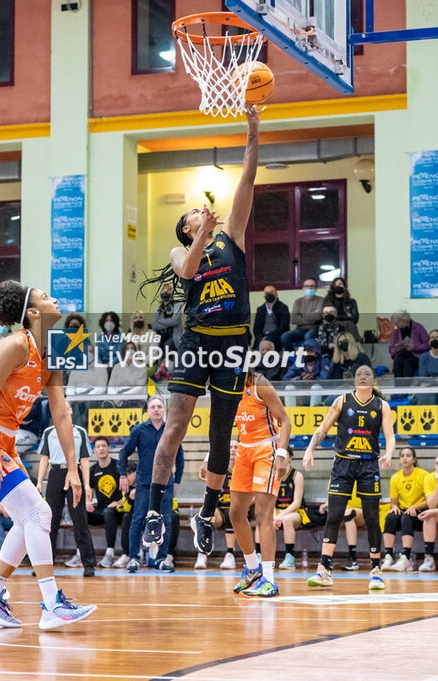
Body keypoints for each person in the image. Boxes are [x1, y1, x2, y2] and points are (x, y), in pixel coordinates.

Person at [138, 107, 259, 559]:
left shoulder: (232, 234)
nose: (201, 212)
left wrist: (252, 131)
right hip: (196, 340)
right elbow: (187, 271)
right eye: (193, 215)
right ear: (187, 228)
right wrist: (200, 237)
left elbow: (247, 178)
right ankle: (154, 510)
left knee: (221, 435)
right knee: (176, 425)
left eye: (202, 211)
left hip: (233, 340)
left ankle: (207, 512)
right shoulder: (181, 249)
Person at [0, 281, 97, 629]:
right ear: (32, 313)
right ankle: (51, 604)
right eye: (45, 297)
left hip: (1, 443)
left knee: (30, 517)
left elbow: (61, 413)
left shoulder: (55, 349)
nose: (54, 298)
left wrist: (73, 468)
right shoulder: (16, 344)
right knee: (38, 512)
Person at [304, 364, 395, 591]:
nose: (363, 377)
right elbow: (323, 428)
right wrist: (309, 448)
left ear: (374, 380)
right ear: (354, 380)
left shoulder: (382, 405)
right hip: (343, 463)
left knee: (373, 518)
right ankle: (324, 569)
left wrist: (389, 453)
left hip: (368, 465)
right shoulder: (342, 401)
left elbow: (390, 436)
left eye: (367, 374)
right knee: (334, 515)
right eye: (359, 374)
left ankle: (376, 571)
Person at [225, 372, 292, 597]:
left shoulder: (260, 384)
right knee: (235, 514)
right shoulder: (226, 385)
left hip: (266, 450)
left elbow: (285, 419)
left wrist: (281, 455)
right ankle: (253, 567)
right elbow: (222, 427)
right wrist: (208, 458)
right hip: (244, 451)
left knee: (263, 515)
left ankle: (270, 579)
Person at [118, 396, 184, 572]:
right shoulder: (139, 430)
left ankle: (162, 559)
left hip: (166, 485)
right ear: (148, 410)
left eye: (159, 406)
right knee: (138, 519)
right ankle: (134, 558)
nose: (156, 409)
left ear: (164, 410)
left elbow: (180, 456)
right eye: (153, 407)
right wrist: (123, 475)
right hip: (144, 484)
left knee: (166, 520)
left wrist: (176, 480)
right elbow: (124, 453)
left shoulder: (171, 430)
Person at [34, 406, 97, 577]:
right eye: (62, 408)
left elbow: (84, 460)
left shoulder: (80, 432)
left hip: (74, 473)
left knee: (80, 520)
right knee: (50, 521)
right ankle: (45, 564)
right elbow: (44, 459)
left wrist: (86, 485)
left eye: (68, 408)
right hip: (55, 474)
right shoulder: (48, 432)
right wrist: (40, 482)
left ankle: (89, 564)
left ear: (71, 412)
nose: (65, 411)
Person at [381, 446, 427, 572]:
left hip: (421, 511)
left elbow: (429, 501)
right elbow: (393, 503)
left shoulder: (424, 475)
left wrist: (415, 507)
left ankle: (406, 557)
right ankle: (388, 556)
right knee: (390, 516)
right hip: (405, 510)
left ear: (414, 459)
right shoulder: (395, 477)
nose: (405, 458)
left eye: (408, 456)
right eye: (402, 456)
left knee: (406, 517)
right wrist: (394, 507)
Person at [194, 443, 237, 570]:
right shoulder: (219, 470)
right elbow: (207, 495)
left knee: (232, 513)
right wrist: (206, 507)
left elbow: (252, 497)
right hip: (219, 509)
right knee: (205, 513)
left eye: (236, 447)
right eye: (230, 447)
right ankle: (202, 552)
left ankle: (230, 554)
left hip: (239, 509)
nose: (233, 450)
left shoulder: (245, 468)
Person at [87, 436, 122, 568]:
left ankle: (110, 553)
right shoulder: (92, 470)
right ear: (94, 450)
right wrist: (88, 503)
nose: (101, 449)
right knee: (82, 513)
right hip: (101, 509)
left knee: (109, 512)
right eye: (98, 446)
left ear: (109, 448)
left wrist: (119, 502)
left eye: (104, 446)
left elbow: (130, 490)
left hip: (118, 510)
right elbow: (89, 492)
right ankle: (82, 553)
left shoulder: (118, 466)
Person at [272, 466, 304, 570]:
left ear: (289, 457)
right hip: (276, 511)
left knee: (287, 520)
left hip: (294, 511)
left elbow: (297, 503)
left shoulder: (297, 475)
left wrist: (281, 516)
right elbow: (269, 502)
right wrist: (274, 517)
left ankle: (290, 557)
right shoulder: (272, 475)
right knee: (263, 520)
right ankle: (259, 555)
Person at [282, 278, 324, 351]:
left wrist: (302, 315)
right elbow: (293, 319)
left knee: (308, 336)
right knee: (285, 336)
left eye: (312, 286)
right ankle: (293, 358)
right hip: (300, 329)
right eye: (307, 286)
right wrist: (312, 316)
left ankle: (309, 359)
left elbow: (318, 316)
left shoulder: (321, 300)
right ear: (303, 288)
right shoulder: (298, 301)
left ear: (316, 288)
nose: (309, 288)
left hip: (315, 328)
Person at [388, 311, 429, 378]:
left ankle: (407, 387)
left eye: (397, 323)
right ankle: (398, 387)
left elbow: (427, 345)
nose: (396, 326)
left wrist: (414, 347)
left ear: (403, 320)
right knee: (398, 362)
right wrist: (397, 348)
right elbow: (391, 349)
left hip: (416, 356)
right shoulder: (396, 331)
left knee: (408, 363)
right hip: (401, 355)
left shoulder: (418, 327)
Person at [151, 282, 184, 353]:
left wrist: (159, 320)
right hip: (161, 335)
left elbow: (175, 322)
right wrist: (170, 320)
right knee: (156, 347)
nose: (165, 293)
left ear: (171, 293)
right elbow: (154, 326)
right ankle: (160, 364)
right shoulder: (157, 309)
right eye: (163, 291)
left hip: (174, 336)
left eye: (167, 291)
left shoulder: (177, 306)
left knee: (167, 345)